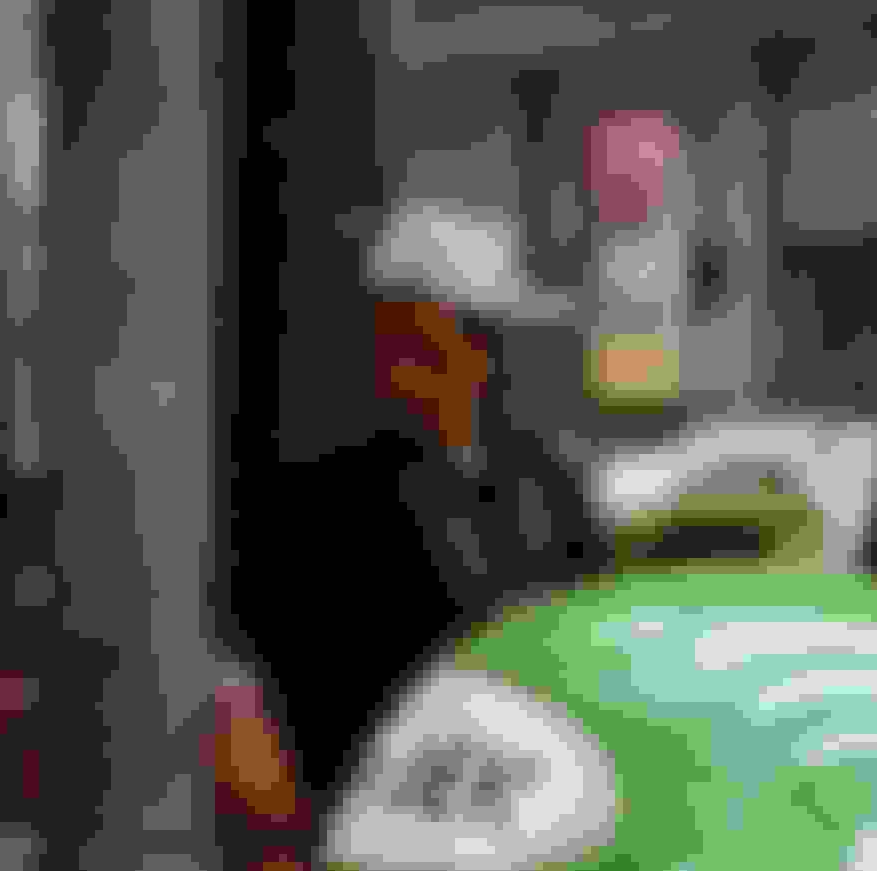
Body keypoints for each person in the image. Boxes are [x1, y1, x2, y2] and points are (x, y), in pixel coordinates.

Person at [241, 198, 615, 802]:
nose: (396, 357)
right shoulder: (320, 505)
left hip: (525, 802)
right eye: (390, 333)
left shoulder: (545, 488)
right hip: (382, 807)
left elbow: (591, 636)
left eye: (430, 336)